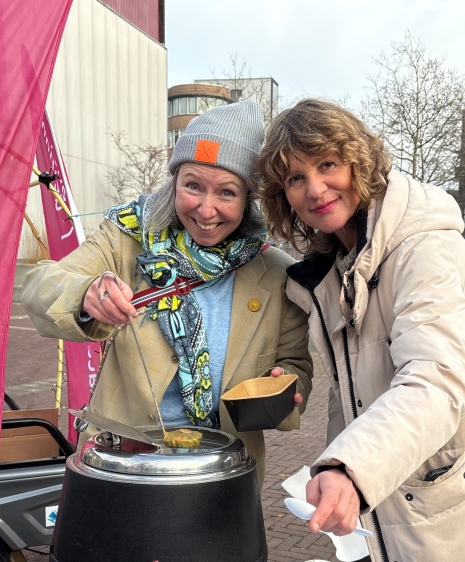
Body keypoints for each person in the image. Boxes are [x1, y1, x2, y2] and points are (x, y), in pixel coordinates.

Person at [255, 99, 465, 561]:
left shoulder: (421, 246)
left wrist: (351, 469)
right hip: (419, 494)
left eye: (327, 164)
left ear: (358, 160)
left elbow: (435, 379)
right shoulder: (336, 270)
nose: (315, 188)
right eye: (296, 178)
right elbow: (351, 392)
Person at [22, 101, 312, 484]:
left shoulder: (275, 272)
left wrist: (285, 386)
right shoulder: (127, 239)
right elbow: (40, 286)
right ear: (174, 182)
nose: (206, 210)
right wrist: (84, 293)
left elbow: (296, 366)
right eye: (193, 186)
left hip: (221, 474)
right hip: (125, 465)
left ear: (249, 200)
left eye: (227, 193)